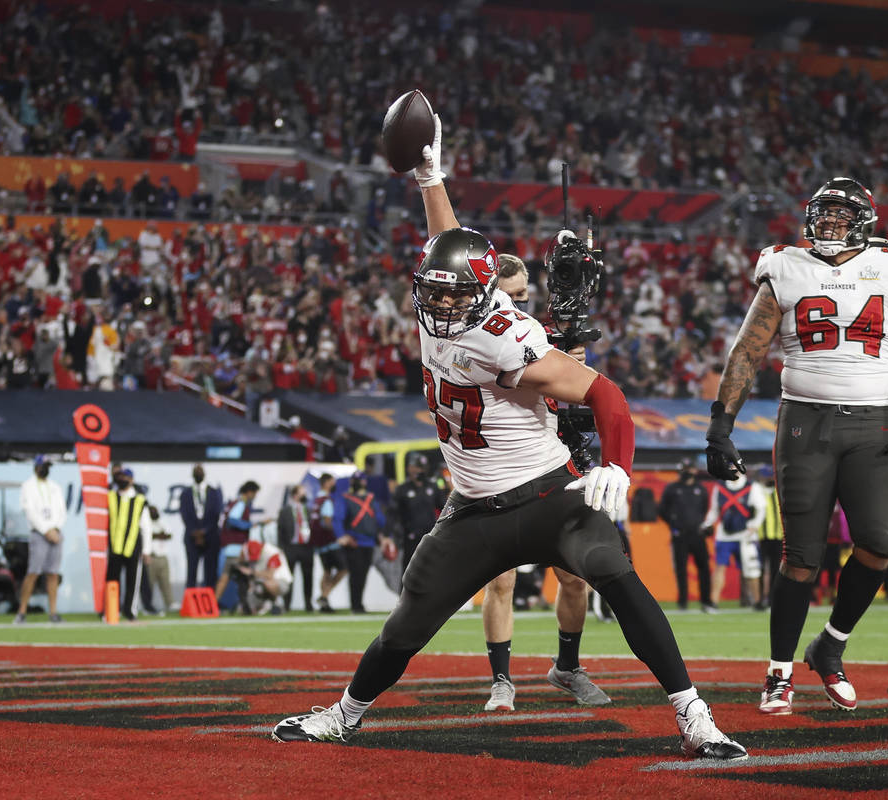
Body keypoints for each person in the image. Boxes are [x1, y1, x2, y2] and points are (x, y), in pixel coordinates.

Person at [271, 113, 747, 761]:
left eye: (453, 297)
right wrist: (430, 179)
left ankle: (694, 716)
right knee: (408, 622)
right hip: (473, 508)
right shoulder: (448, 295)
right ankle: (344, 715)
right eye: (434, 294)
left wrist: (617, 465)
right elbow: (447, 244)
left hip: (549, 495)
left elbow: (605, 393)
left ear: (484, 294)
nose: (441, 306)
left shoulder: (503, 335)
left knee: (615, 573)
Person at [704, 176, 888, 716]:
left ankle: (830, 645)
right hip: (803, 423)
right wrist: (722, 424)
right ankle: (779, 673)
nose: (830, 222)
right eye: (824, 213)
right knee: (801, 557)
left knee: (879, 543)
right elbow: (747, 351)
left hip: (873, 424)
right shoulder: (784, 266)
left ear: (863, 222)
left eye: (841, 214)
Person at [415, 147, 611, 711]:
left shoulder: (521, 332)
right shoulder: (481, 333)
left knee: (574, 576)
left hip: (550, 453)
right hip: (495, 464)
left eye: (526, 296)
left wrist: (570, 351)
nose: (523, 305)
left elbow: (583, 389)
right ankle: (501, 678)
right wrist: (432, 181)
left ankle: (567, 666)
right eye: (515, 297)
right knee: (498, 578)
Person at [702, 469, 764, 609]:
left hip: (746, 534)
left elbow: (761, 508)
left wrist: (755, 525)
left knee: (751, 569)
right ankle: (713, 601)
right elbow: (714, 510)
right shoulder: (720, 487)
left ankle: (757, 601)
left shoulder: (752, 486)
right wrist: (708, 523)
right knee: (720, 567)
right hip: (724, 534)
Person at [658, 458, 714, 612]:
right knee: (681, 569)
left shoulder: (700, 489)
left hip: (697, 534)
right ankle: (683, 602)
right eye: (684, 469)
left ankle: (706, 601)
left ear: (695, 470)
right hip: (680, 535)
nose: (687, 472)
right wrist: (673, 524)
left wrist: (701, 524)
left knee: (703, 568)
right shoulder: (672, 488)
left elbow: (705, 509)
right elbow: (662, 510)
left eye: (689, 469)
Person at [16, 455, 67, 623]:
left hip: (56, 533)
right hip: (39, 533)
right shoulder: (27, 486)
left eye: (47, 466)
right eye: (43, 466)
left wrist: (56, 529)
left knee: (53, 573)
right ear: (36, 467)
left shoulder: (55, 487)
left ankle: (53, 612)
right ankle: (22, 611)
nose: (45, 469)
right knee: (33, 572)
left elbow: (62, 511)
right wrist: (46, 530)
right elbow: (30, 512)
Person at [335, 472, 392, 613]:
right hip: (354, 542)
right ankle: (355, 605)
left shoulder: (371, 499)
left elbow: (380, 520)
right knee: (356, 574)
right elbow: (338, 519)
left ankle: (358, 603)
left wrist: (385, 536)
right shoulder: (345, 498)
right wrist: (341, 536)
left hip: (369, 542)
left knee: (363, 574)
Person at [106, 468, 151, 621]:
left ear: (132, 480)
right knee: (112, 580)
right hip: (115, 546)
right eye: (120, 476)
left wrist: (147, 550)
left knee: (132, 581)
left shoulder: (140, 500)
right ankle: (112, 610)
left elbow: (146, 527)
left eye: (125, 477)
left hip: (133, 546)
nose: (122, 479)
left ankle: (130, 611)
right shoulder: (111, 496)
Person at [391, 453, 446, 572]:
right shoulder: (402, 490)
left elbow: (445, 509)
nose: (418, 470)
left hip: (430, 537)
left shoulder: (433, 487)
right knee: (409, 572)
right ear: (409, 468)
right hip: (410, 538)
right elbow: (393, 514)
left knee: (432, 570)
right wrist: (389, 535)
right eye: (415, 467)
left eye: (421, 467)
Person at [215, 480, 262, 601]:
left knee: (225, 577)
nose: (255, 497)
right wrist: (250, 525)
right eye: (255, 493)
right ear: (250, 492)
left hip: (229, 548)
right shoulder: (241, 503)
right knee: (244, 578)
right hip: (235, 549)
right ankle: (245, 605)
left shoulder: (235, 503)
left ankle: (213, 604)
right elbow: (232, 520)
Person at [180, 464, 223, 589]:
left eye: (200, 471)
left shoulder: (214, 492)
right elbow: (184, 514)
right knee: (191, 572)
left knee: (210, 572)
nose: (198, 473)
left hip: (210, 537)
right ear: (192, 475)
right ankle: (190, 598)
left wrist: (204, 532)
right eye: (196, 471)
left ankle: (209, 598)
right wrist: (194, 532)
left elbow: (216, 513)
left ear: (204, 474)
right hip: (192, 537)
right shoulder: (186, 493)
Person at [311, 473, 347, 613]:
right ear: (326, 483)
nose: (334, 485)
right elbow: (327, 522)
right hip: (329, 542)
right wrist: (338, 535)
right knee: (343, 569)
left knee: (327, 571)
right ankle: (324, 596)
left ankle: (324, 603)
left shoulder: (316, 500)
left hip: (319, 542)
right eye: (332, 482)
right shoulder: (326, 500)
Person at [277, 484, 315, 612]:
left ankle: (308, 604)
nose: (305, 495)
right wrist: (281, 548)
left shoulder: (308, 510)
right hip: (291, 547)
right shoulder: (285, 511)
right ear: (295, 495)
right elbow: (280, 531)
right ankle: (287, 605)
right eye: (302, 492)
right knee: (289, 577)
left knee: (308, 576)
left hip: (306, 547)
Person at [231, 539, 292, 615]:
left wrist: (251, 572)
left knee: (268, 584)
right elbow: (240, 560)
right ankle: (262, 605)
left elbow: (269, 575)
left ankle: (277, 604)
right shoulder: (246, 549)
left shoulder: (272, 552)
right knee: (245, 608)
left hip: (280, 581)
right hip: (259, 584)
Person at [753, 465, 783, 610]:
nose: (769, 479)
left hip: (778, 537)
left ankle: (772, 599)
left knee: (776, 570)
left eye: (771, 476)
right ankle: (758, 599)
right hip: (761, 537)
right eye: (767, 476)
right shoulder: (756, 491)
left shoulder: (779, 492)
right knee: (758, 569)